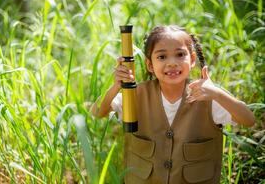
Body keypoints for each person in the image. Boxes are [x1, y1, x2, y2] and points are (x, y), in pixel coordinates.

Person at [91, 25, 255, 184]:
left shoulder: (207, 96)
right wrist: (116, 86)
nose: (172, 63)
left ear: (191, 60)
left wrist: (218, 94)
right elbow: (97, 111)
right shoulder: (135, 95)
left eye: (179, 55)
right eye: (162, 57)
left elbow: (248, 120)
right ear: (150, 65)